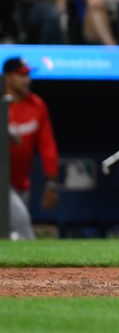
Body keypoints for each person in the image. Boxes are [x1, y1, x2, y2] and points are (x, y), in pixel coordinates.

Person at [3, 57, 59, 240]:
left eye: (28, 75)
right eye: (22, 75)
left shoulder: (36, 105)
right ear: (8, 77)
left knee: (12, 236)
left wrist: (51, 183)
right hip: (3, 182)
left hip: (21, 182)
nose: (27, 80)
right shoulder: (2, 105)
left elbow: (47, 146)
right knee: (24, 230)